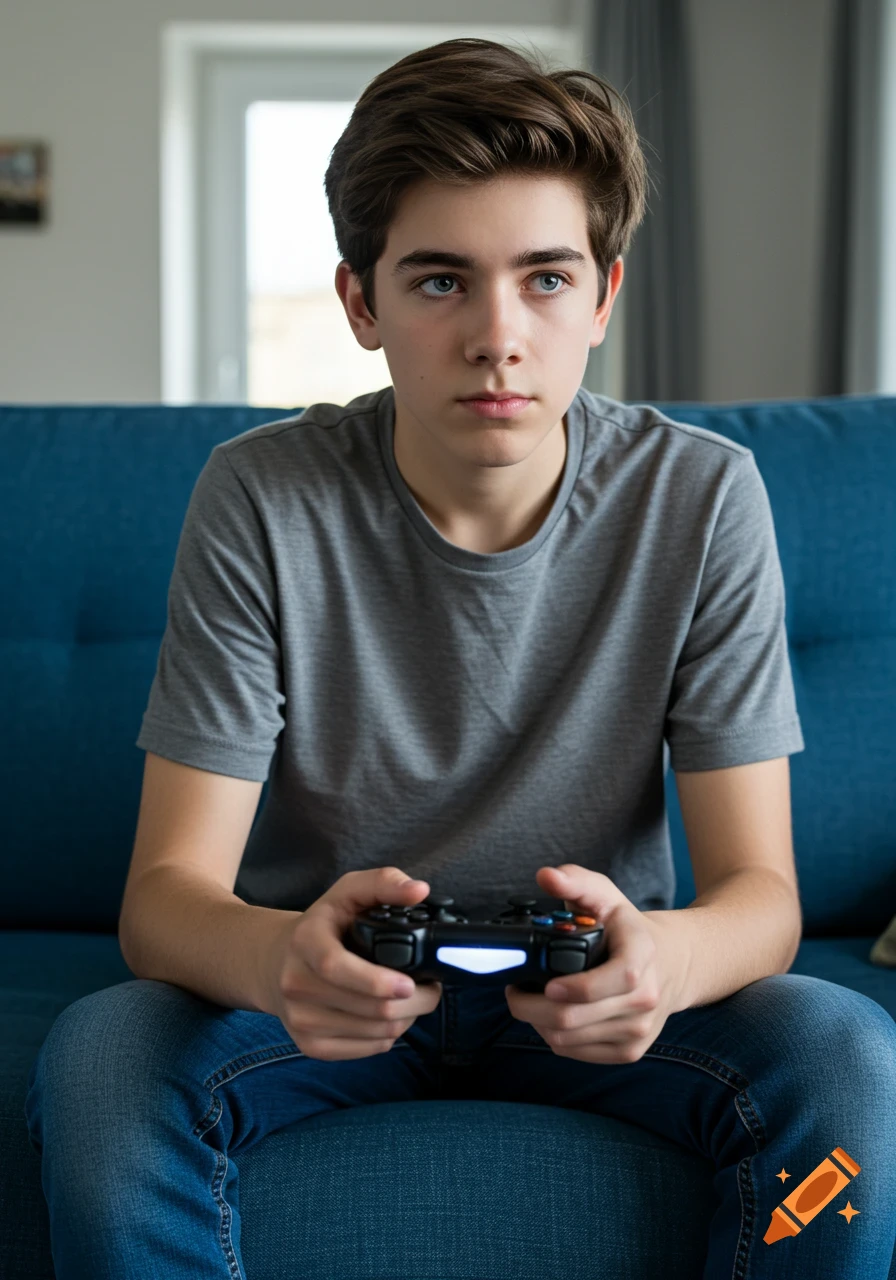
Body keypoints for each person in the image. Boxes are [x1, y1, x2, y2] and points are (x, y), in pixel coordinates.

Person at [24, 35, 896, 1280]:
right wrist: (279, 958)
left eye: (544, 280)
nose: (498, 336)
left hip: (596, 996)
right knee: (107, 1056)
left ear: (601, 295)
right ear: (361, 303)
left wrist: (665, 962)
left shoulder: (702, 498)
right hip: (325, 999)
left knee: (845, 1055)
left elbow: (761, 892)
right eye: (440, 283)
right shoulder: (261, 497)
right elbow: (164, 894)